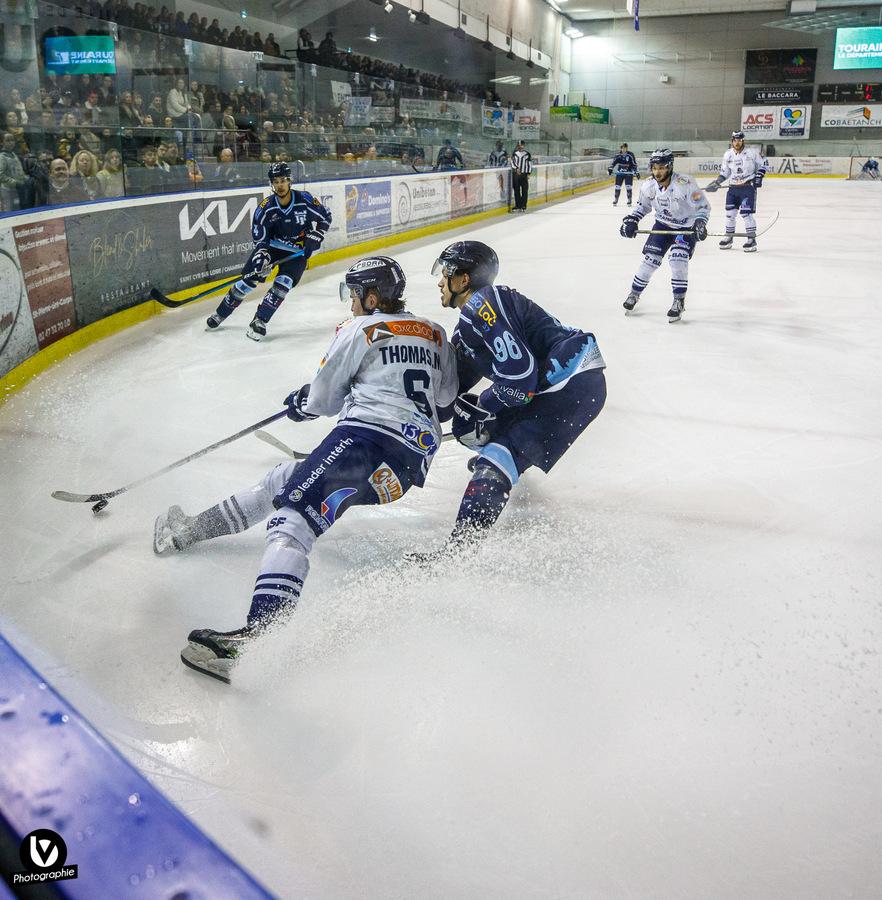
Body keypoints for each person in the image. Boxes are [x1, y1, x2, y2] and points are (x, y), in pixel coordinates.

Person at [155, 256, 458, 683]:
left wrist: (303, 403)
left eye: (355, 295)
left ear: (372, 299)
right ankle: (191, 530)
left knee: (293, 520)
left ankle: (254, 642)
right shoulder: (435, 333)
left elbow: (323, 400)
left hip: (365, 442)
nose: (351, 303)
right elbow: (444, 402)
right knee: (284, 479)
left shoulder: (360, 329)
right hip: (407, 468)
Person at [415, 241, 606, 559]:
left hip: (570, 382)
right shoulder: (471, 324)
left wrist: (485, 408)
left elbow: (520, 378)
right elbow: (456, 388)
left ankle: (458, 552)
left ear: (464, 279)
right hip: (567, 383)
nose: (440, 281)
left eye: (446, 272)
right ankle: (506, 462)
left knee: (496, 456)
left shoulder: (482, 304)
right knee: (490, 436)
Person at [206, 161, 332, 341]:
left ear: (289, 181)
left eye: (283, 180)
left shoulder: (304, 200)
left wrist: (316, 235)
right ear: (271, 184)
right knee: (247, 282)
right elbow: (261, 239)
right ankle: (220, 314)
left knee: (283, 283)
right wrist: (261, 256)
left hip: (297, 250)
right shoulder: (265, 208)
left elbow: (325, 217)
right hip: (272, 247)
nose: (280, 185)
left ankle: (260, 320)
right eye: (276, 181)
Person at [619, 148, 709, 323]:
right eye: (654, 168)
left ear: (670, 166)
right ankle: (634, 294)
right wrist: (632, 220)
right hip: (662, 225)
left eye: (661, 168)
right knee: (650, 261)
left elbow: (703, 206)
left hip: (685, 227)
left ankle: (678, 301)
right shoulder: (649, 186)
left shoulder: (686, 183)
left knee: (678, 260)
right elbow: (642, 207)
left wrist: (700, 223)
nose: (657, 172)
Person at [705, 130, 767, 253]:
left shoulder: (752, 153)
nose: (737, 142)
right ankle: (729, 237)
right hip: (733, 188)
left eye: (739, 140)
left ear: (743, 141)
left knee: (746, 214)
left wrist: (759, 176)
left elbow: (764, 164)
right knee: (730, 214)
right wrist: (717, 182)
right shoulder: (728, 154)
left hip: (747, 188)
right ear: (732, 141)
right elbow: (725, 172)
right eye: (735, 140)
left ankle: (751, 239)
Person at [607, 142, 639, 207]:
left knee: (628, 186)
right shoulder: (618, 155)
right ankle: (616, 199)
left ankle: (629, 200)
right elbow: (613, 163)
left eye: (625, 148)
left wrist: (636, 171)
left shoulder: (630, 155)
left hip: (628, 173)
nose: (623, 149)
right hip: (620, 173)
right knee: (617, 186)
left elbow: (634, 164)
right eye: (622, 148)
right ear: (621, 148)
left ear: (627, 148)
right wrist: (610, 168)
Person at [510, 140, 532, 211]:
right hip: (516, 174)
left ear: (524, 145)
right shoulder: (515, 153)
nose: (520, 146)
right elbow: (512, 162)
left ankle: (523, 205)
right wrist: (516, 168)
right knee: (516, 190)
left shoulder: (527, 154)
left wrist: (528, 173)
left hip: (524, 174)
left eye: (521, 145)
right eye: (519, 145)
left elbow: (529, 164)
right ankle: (518, 205)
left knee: (524, 190)